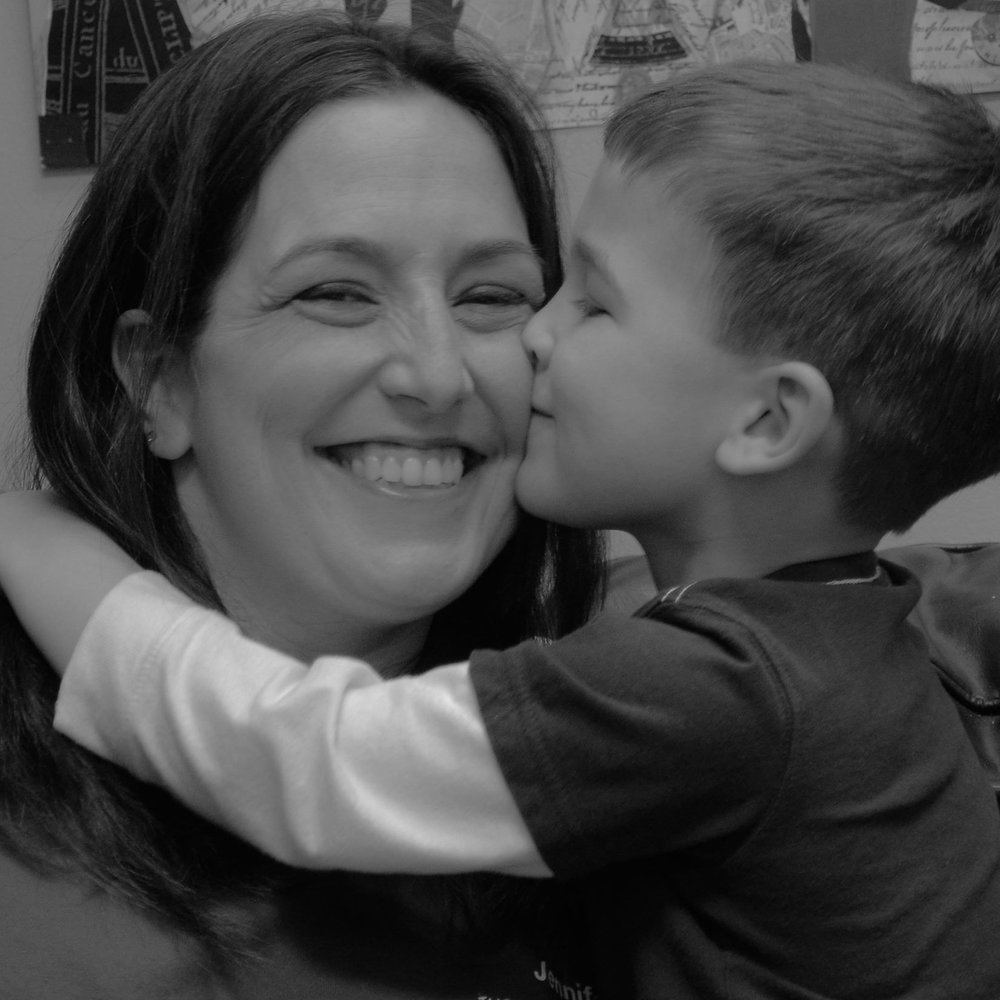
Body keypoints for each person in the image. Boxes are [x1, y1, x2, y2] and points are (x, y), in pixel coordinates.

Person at [5, 60, 1000, 1000]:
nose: (472, 363)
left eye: (515, 296)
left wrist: (40, 542)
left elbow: (308, 759)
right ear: (159, 377)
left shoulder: (715, 691)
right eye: (335, 292)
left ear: (770, 421)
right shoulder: (830, 638)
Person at [0, 10, 609, 998]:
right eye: (336, 293)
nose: (436, 375)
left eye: (492, 297)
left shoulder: (639, 716)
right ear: (159, 380)